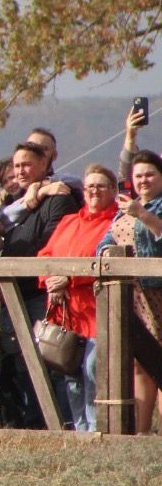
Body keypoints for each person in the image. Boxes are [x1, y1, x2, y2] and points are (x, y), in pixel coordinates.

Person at [0, 141, 81, 428]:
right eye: (17, 165)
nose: (21, 170)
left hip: (39, 291)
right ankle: (15, 423)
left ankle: (49, 423)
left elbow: (52, 242)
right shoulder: (13, 202)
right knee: (10, 360)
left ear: (44, 164)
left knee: (44, 358)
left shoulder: (60, 198)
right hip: (11, 290)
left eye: (27, 164)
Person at [38, 165, 120, 432]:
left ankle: (97, 428)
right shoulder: (68, 221)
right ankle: (78, 429)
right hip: (67, 310)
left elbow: (107, 260)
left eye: (101, 186)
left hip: (98, 310)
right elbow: (46, 254)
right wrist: (50, 279)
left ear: (113, 190)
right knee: (70, 372)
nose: (94, 191)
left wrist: (70, 279)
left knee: (92, 371)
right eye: (89, 186)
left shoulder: (116, 223)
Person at [104, 151, 162, 434]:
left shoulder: (157, 206)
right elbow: (106, 238)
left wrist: (143, 214)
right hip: (132, 294)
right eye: (138, 176)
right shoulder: (124, 208)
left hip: (158, 293)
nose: (143, 180)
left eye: (149, 174)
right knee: (141, 364)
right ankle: (141, 431)